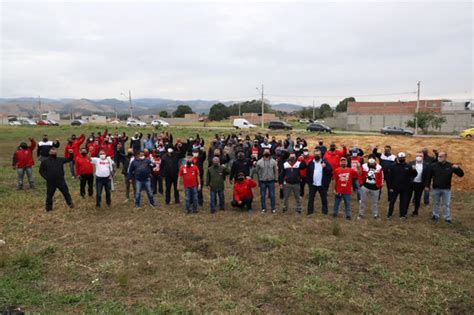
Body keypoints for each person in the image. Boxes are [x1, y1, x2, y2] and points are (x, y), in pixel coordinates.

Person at [427, 151, 464, 224]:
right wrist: (427, 185)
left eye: (441, 157)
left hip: (446, 189)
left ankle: (447, 218)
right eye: (438, 156)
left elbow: (461, 175)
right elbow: (429, 177)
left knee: (446, 204)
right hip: (436, 188)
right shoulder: (433, 165)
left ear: (445, 157)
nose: (439, 158)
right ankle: (435, 216)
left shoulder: (450, 166)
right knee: (435, 203)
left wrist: (457, 168)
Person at [39, 147, 74, 211]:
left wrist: (71, 153)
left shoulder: (60, 159)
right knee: (49, 195)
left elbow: (70, 159)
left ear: (56, 153)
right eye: (52, 152)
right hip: (51, 182)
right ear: (49, 153)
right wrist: (46, 177)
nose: (53, 153)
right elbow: (41, 171)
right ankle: (49, 208)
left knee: (66, 193)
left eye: (54, 152)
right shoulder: (45, 161)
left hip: (60, 180)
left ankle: (70, 204)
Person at [386, 152, 417, 219]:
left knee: (403, 202)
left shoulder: (408, 166)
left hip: (405, 188)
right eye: (400, 158)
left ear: (404, 158)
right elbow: (389, 178)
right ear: (397, 157)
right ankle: (389, 214)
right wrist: (390, 187)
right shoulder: (392, 166)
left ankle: (402, 215)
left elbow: (414, 175)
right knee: (392, 201)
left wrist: (414, 170)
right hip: (394, 188)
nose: (401, 159)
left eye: (403, 158)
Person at [305, 149, 333, 215]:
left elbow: (330, 172)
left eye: (318, 154)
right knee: (311, 198)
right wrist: (309, 182)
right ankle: (310, 212)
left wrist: (325, 167)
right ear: (314, 155)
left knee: (324, 198)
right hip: (313, 184)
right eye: (316, 154)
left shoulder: (325, 162)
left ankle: (325, 212)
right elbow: (308, 173)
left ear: (321, 155)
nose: (317, 155)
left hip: (322, 185)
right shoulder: (311, 163)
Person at [253, 148, 278, 213]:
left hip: (271, 181)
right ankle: (263, 208)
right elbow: (256, 171)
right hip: (262, 181)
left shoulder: (273, 161)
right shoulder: (259, 162)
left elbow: (276, 171)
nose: (267, 153)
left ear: (269, 153)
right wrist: (255, 165)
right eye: (265, 152)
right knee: (263, 195)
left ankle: (273, 208)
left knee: (272, 195)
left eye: (268, 152)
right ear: (263, 153)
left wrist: (276, 180)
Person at [408, 151, 431, 217]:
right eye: (417, 156)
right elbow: (407, 173)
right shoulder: (411, 163)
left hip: (420, 184)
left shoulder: (426, 165)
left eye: (420, 156)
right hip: (411, 183)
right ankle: (404, 211)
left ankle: (415, 212)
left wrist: (427, 185)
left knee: (418, 198)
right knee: (407, 197)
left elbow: (428, 176)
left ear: (423, 157)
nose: (419, 157)